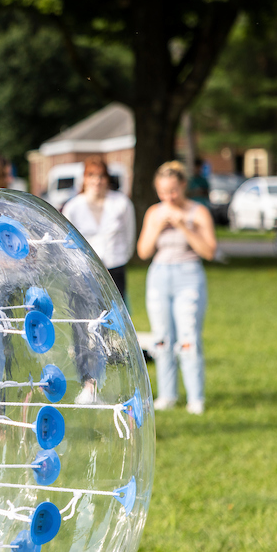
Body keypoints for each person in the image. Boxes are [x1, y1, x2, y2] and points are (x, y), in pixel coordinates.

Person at [137, 161, 217, 414]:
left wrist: (184, 226)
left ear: (183, 185)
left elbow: (209, 251)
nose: (168, 197)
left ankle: (196, 397)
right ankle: (167, 395)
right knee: (162, 338)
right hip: (160, 275)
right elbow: (142, 252)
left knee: (188, 336)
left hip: (189, 275)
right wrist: (159, 226)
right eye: (163, 192)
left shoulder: (198, 212)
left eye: (173, 191)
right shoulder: (154, 213)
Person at [62, 156, 136, 404]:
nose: (97, 181)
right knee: (83, 328)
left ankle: (107, 383)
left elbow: (128, 238)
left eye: (101, 176)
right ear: (84, 179)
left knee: (108, 329)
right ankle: (88, 385)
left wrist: (115, 261)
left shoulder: (121, 204)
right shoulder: (73, 206)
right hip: (81, 274)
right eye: (92, 176)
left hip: (113, 269)